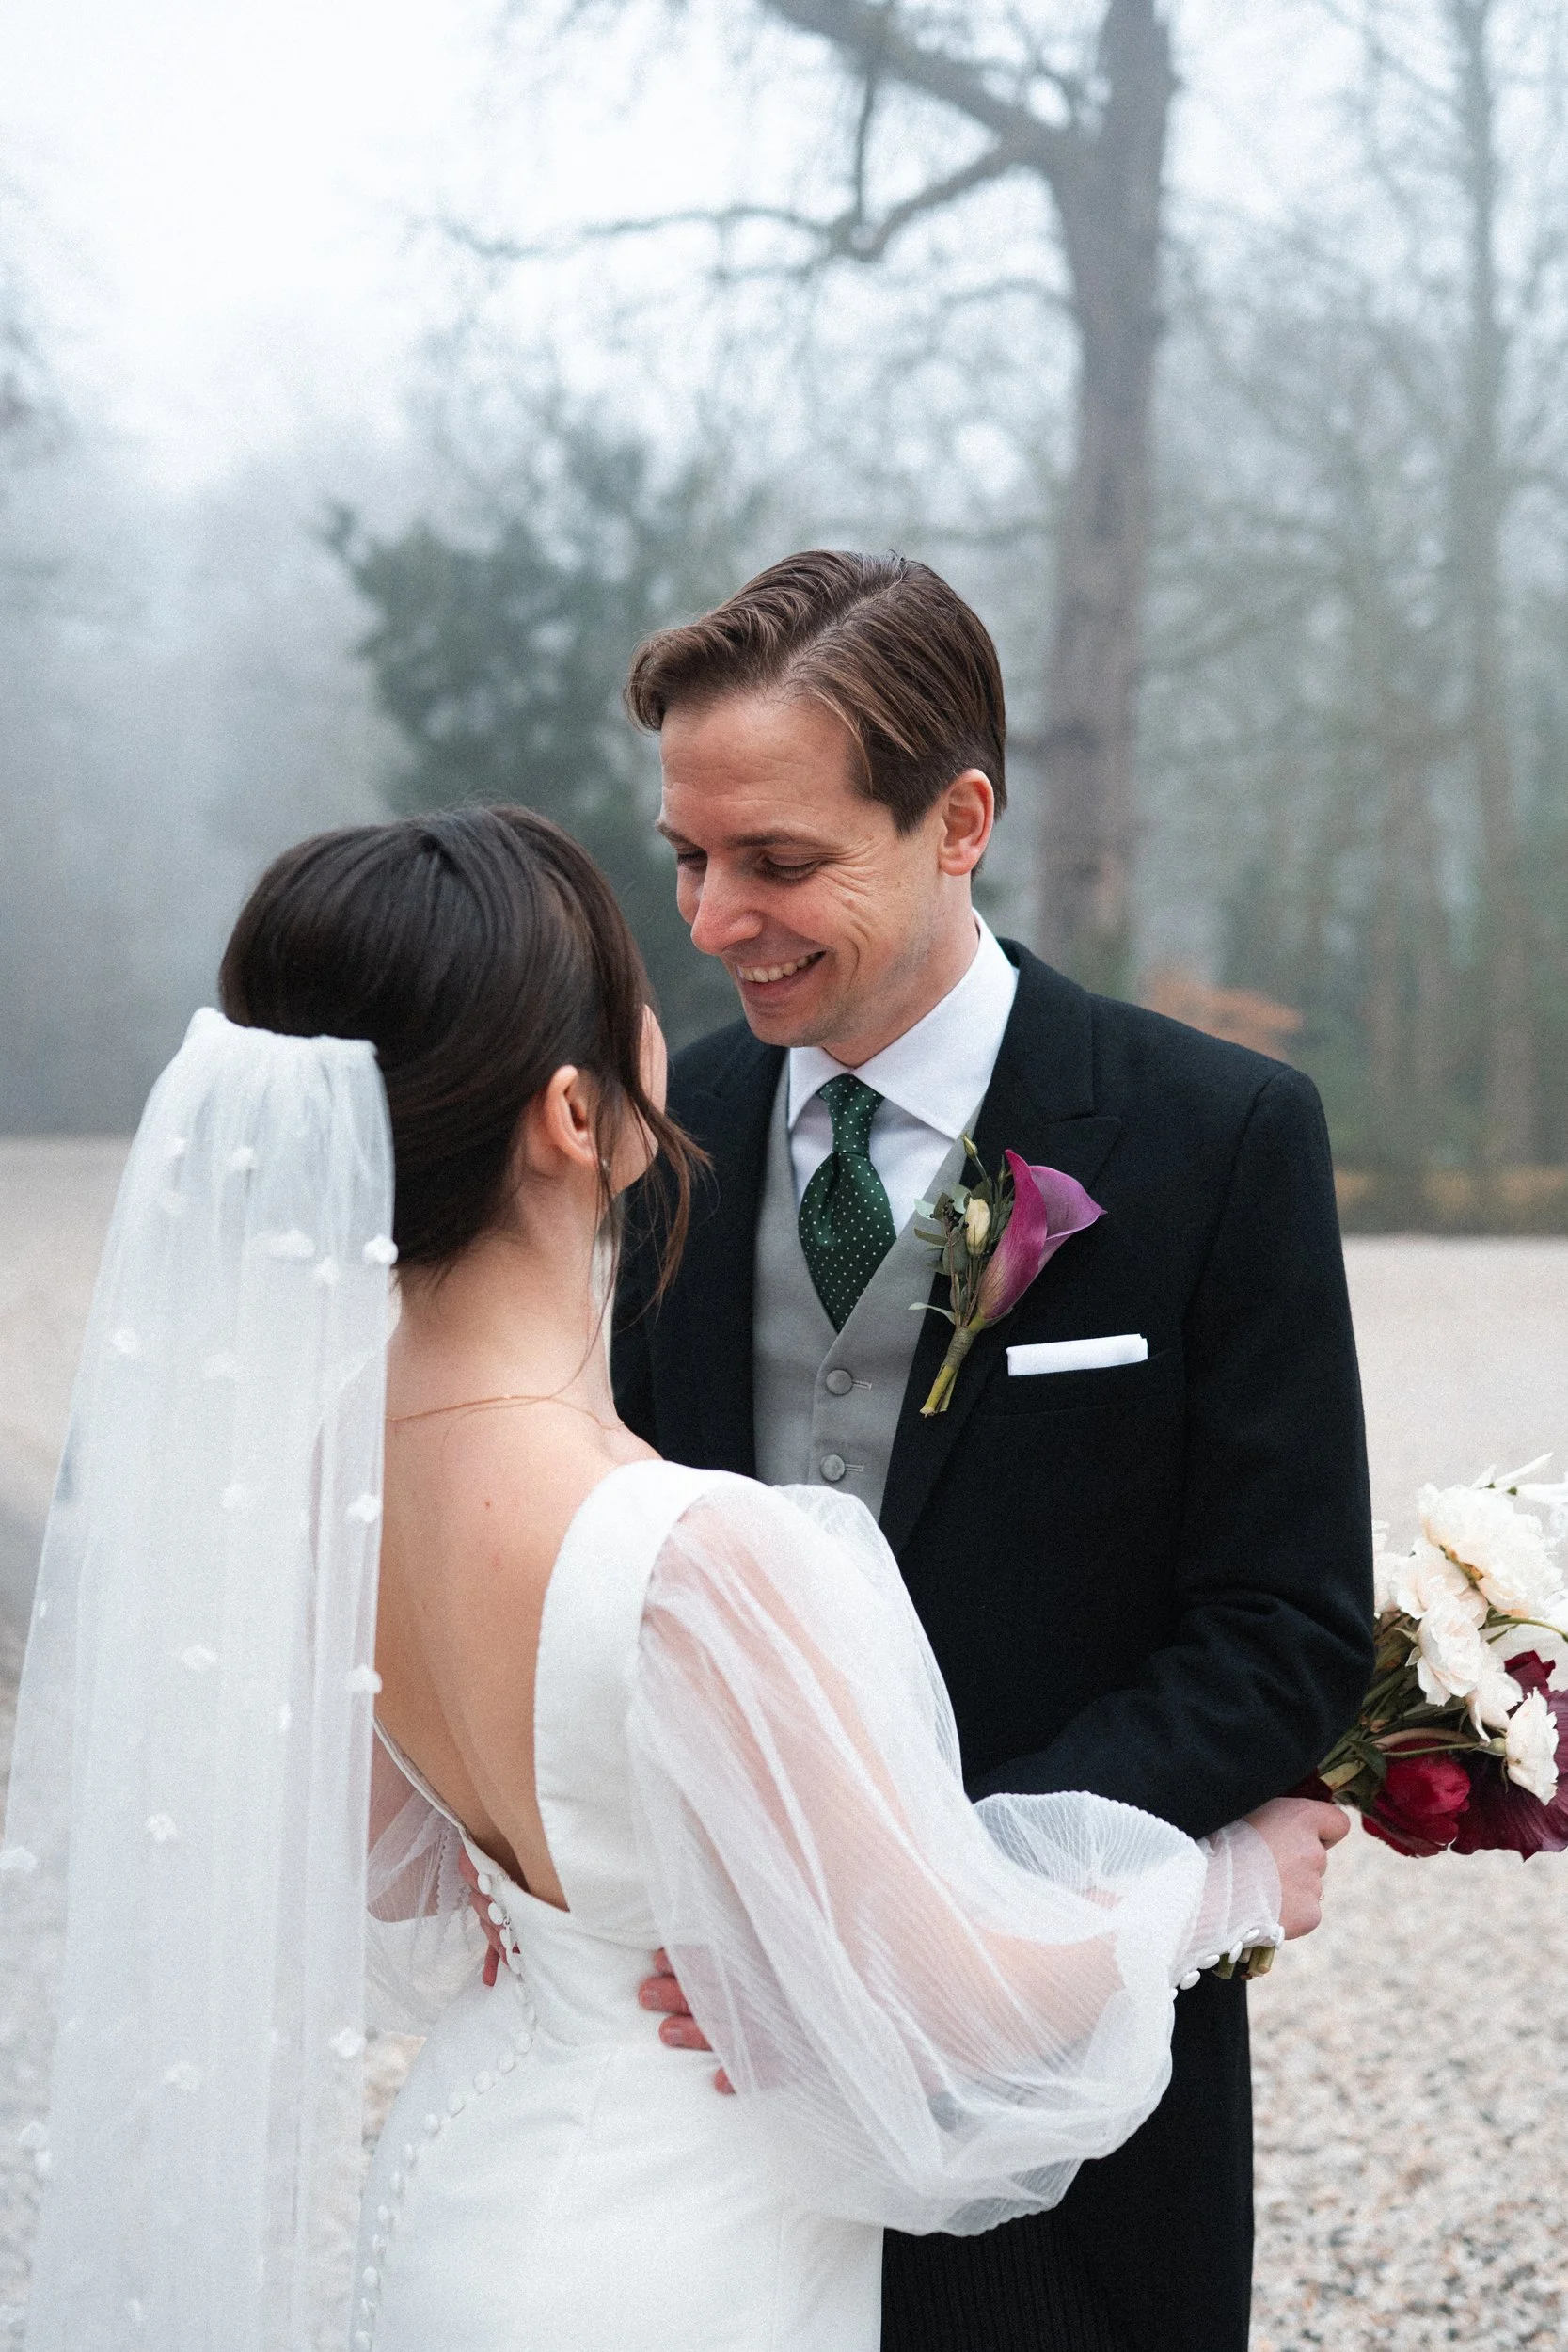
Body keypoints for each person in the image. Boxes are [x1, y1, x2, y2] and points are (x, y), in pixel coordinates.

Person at [0, 804, 1340, 2352]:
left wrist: (622, 1899)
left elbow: (408, 1870)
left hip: (471, 2186)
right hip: (681, 2238)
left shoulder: (319, 1483)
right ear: (573, 1116)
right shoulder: (702, 1555)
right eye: (632, 976)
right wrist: (1234, 1882)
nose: (687, 976)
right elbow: (944, 1999)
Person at [610, 551, 1375, 2352]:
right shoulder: (669, 1136)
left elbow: (1278, 1627)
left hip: (1075, 2084)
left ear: (958, 819)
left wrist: (930, 1920)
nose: (716, 919)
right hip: (697, 2065)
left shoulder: (1218, 1134)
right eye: (689, 859)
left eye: (780, 863)